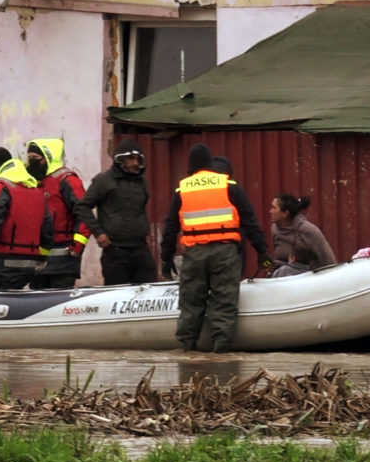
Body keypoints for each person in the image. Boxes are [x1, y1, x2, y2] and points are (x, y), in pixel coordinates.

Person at [161, 143, 271, 353]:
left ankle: (187, 348)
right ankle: (221, 349)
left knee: (191, 301)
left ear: (190, 165)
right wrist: (262, 253)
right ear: (210, 163)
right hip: (225, 252)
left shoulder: (182, 189)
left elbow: (170, 229)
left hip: (194, 254)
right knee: (224, 299)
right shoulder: (229, 185)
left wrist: (166, 259)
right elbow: (250, 222)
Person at [74, 138, 156, 285]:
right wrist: (98, 233)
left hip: (140, 248)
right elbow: (83, 206)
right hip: (115, 250)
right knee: (117, 294)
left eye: (138, 159)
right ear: (120, 160)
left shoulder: (142, 182)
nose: (135, 163)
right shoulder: (104, 180)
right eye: (131, 159)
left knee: (149, 291)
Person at [0, 148, 53, 290]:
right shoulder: (36, 190)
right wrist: (42, 257)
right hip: (31, 266)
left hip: (3, 263)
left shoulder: (0, 187)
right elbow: (47, 226)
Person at [24, 138, 90, 289]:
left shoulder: (67, 180)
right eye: (29, 158)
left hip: (64, 259)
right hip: (37, 260)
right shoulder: (33, 181)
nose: (31, 162)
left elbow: (84, 214)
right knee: (37, 308)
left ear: (48, 157)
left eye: (35, 158)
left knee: (58, 305)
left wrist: (77, 246)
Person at [270, 193, 336, 269]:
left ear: (285, 213)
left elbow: (329, 260)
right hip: (284, 275)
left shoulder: (308, 231)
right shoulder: (275, 229)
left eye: (274, 208)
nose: (270, 211)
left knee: (284, 271)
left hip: (309, 275)